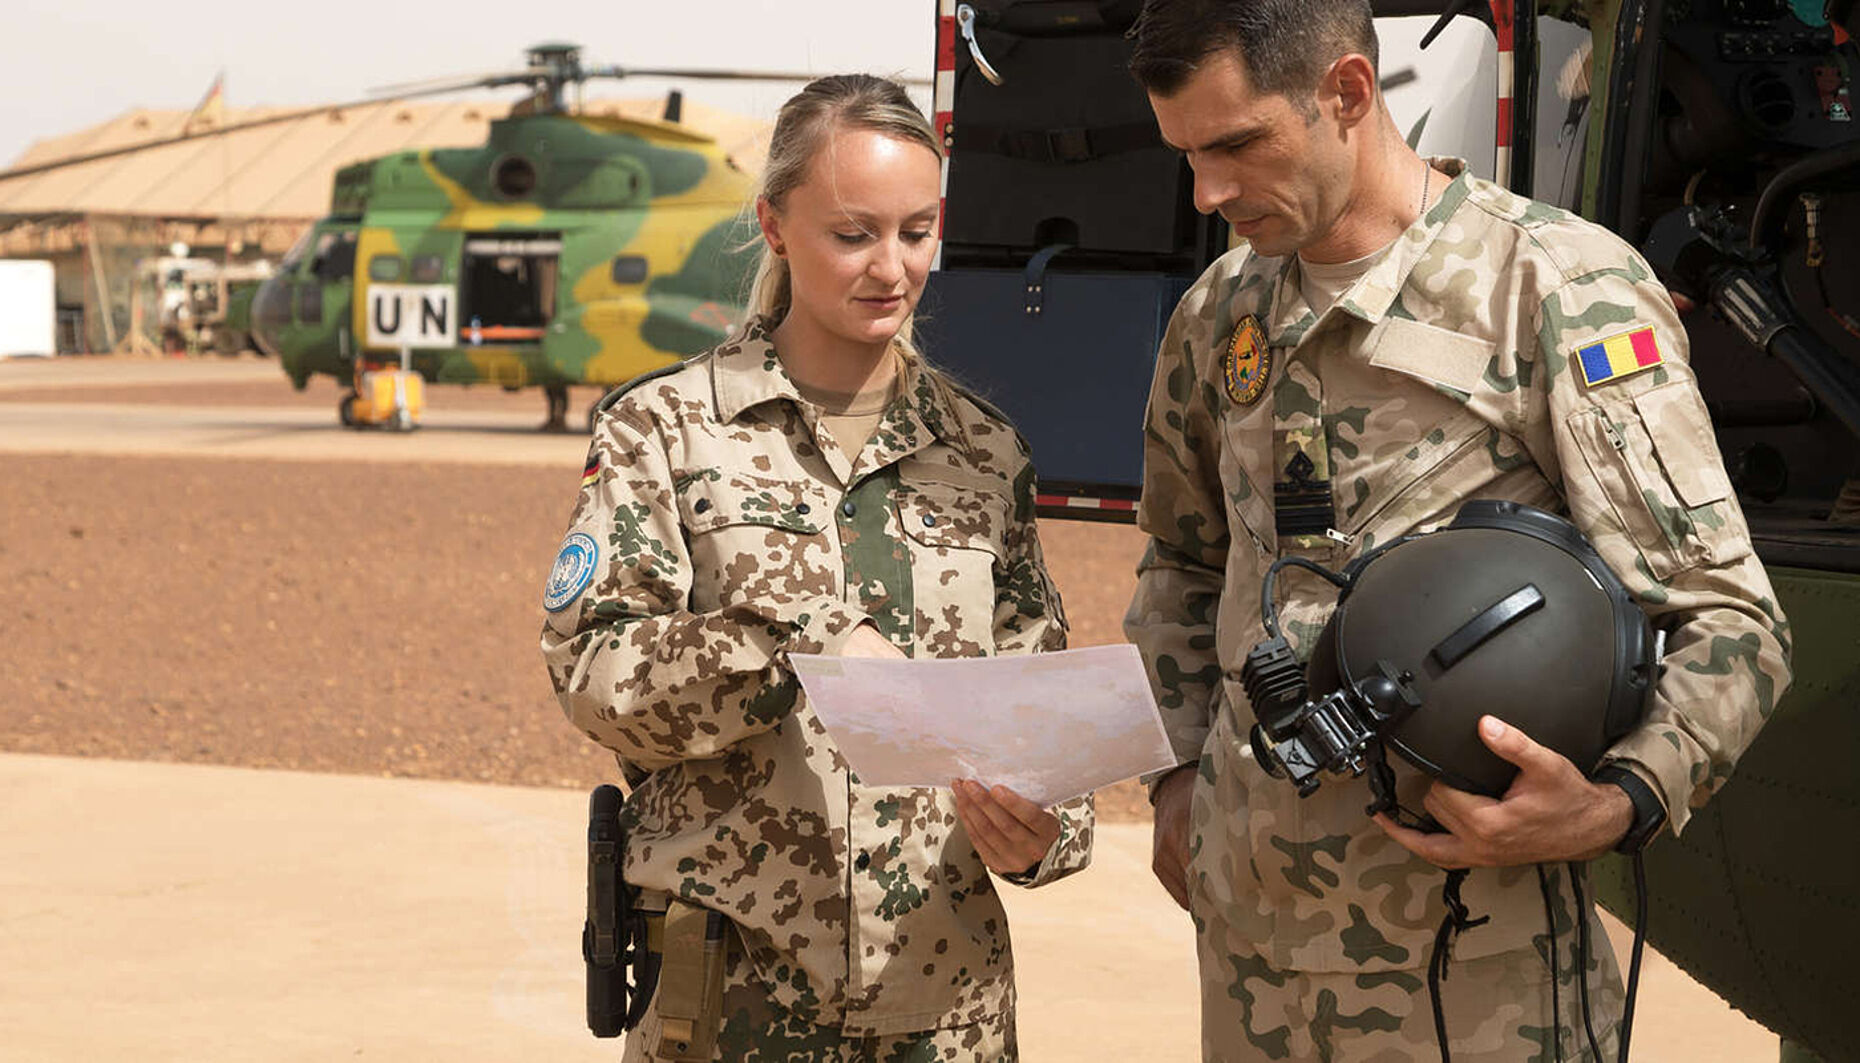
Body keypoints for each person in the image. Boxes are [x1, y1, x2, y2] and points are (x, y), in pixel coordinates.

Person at [1119, 2, 1793, 1059]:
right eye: (1185, 156)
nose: (1207, 194)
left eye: (1238, 144)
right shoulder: (1218, 315)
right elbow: (1182, 563)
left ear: (1347, 92)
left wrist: (1619, 801)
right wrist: (1171, 781)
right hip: (1251, 960)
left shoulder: (1556, 288)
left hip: (1476, 970)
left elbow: (1729, 616)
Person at [540, 74, 1092, 1062]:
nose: (893, 267)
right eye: (853, 234)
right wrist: (794, 645)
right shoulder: (666, 431)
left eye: (917, 231)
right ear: (775, 225)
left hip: (943, 1015)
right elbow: (593, 675)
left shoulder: (985, 454)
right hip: (724, 1012)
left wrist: (1048, 827)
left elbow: (1038, 708)